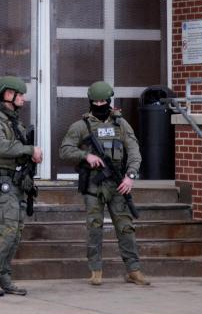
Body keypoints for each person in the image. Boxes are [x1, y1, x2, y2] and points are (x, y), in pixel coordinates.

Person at [59, 81, 149, 286]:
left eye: (103, 101)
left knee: (125, 227)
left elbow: (134, 151)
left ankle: (133, 269)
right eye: (95, 101)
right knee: (94, 227)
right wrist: (86, 156)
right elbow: (64, 150)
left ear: (109, 101)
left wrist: (130, 176)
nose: (99, 104)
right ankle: (96, 270)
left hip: (118, 184)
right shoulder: (82, 125)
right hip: (94, 185)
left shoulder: (121, 124)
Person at [0, 76, 42, 297]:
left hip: (16, 184)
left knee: (15, 234)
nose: (23, 99)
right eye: (20, 94)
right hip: (2, 183)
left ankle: (4, 278)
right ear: (8, 94)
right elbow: (1, 146)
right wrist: (28, 150)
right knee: (5, 232)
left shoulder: (14, 122)